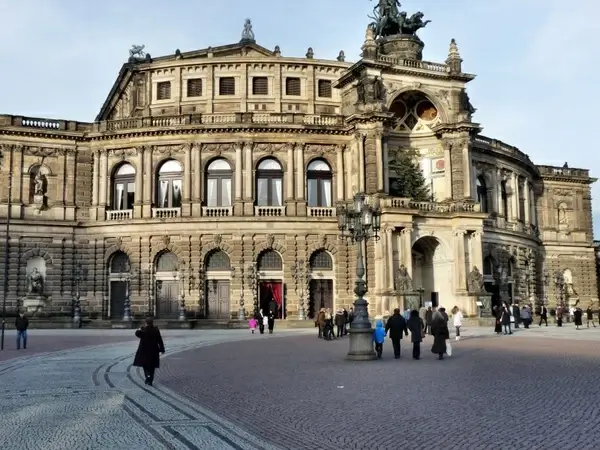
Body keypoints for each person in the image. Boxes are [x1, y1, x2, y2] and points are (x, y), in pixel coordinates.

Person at [133, 316, 165, 386]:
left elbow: (137, 333)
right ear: (152, 322)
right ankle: (150, 380)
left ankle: (148, 377)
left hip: (144, 351)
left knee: (145, 366)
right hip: (154, 351)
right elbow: (160, 340)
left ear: (146, 323)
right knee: (152, 366)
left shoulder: (143, 330)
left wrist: (139, 329)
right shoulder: (156, 329)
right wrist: (162, 349)